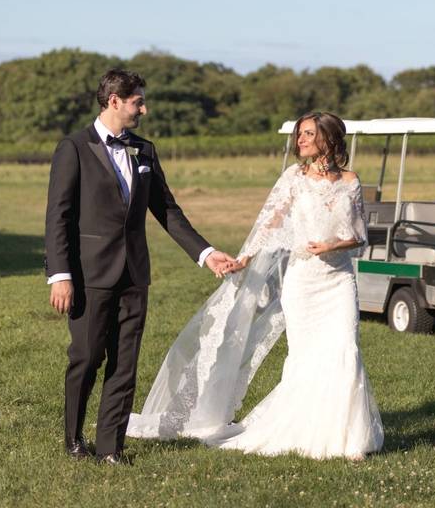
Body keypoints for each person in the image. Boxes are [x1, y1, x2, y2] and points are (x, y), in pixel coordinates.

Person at [127, 111, 384, 460]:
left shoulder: (351, 181)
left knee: (344, 348)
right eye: (299, 134)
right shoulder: (293, 177)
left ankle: (349, 440)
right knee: (306, 357)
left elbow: (359, 236)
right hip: (302, 282)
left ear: (330, 138)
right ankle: (307, 431)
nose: (301, 140)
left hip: (337, 281)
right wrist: (245, 258)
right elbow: (270, 223)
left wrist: (332, 246)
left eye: (309, 134)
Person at [44, 68, 234, 465]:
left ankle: (111, 448)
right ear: (114, 101)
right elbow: (58, 216)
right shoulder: (73, 147)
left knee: (125, 363)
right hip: (89, 275)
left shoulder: (144, 150)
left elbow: (167, 210)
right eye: (137, 102)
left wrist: (206, 253)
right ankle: (74, 439)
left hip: (134, 275)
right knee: (87, 356)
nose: (143, 109)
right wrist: (60, 275)